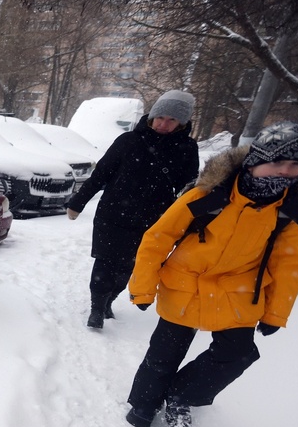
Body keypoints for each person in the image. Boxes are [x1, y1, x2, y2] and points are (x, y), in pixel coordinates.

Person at [124, 121, 298, 427]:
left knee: (238, 354)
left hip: (239, 288)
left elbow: (290, 264)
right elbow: (158, 238)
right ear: (256, 160)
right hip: (186, 281)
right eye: (277, 162)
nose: (285, 171)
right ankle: (143, 404)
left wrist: (275, 313)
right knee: (164, 353)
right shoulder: (212, 192)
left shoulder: (295, 207)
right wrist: (143, 289)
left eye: (295, 164)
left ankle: (181, 395)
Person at [66, 90, 200, 329]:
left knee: (131, 265)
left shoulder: (187, 149)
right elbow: (101, 174)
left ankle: (110, 300)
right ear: (152, 116)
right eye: (160, 117)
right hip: (113, 213)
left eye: (171, 120)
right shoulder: (128, 141)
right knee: (105, 262)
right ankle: (97, 308)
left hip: (152, 219)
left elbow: (188, 188)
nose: (163, 124)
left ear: (182, 123)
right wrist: (78, 202)